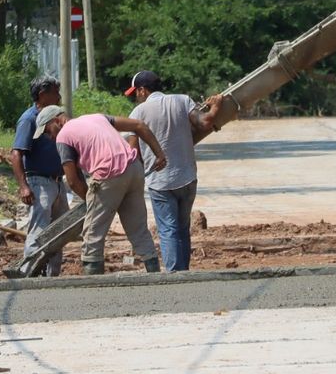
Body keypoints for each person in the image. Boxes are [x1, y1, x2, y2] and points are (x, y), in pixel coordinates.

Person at [36, 105, 166, 275]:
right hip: (134, 169)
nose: (49, 137)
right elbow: (139, 125)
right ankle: (155, 275)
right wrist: (159, 154)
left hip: (109, 174)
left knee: (92, 234)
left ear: (56, 121)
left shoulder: (63, 136)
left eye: (47, 131)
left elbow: (73, 181)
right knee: (138, 229)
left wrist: (92, 202)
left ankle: (95, 287)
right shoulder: (96, 118)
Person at [125, 70, 225, 271]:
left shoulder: (138, 113)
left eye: (136, 92)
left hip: (160, 182)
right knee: (182, 228)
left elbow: (133, 152)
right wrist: (216, 106)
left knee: (168, 230)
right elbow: (205, 122)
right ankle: (184, 272)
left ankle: (173, 275)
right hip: (187, 177)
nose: (136, 97)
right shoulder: (182, 101)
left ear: (143, 90)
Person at [10, 76, 67, 276]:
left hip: (58, 182)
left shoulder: (55, 117)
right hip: (40, 182)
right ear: (43, 95)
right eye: (55, 93)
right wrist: (24, 186)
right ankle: (29, 275)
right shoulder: (29, 119)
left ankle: (52, 276)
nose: (59, 97)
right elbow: (16, 153)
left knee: (59, 232)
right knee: (39, 231)